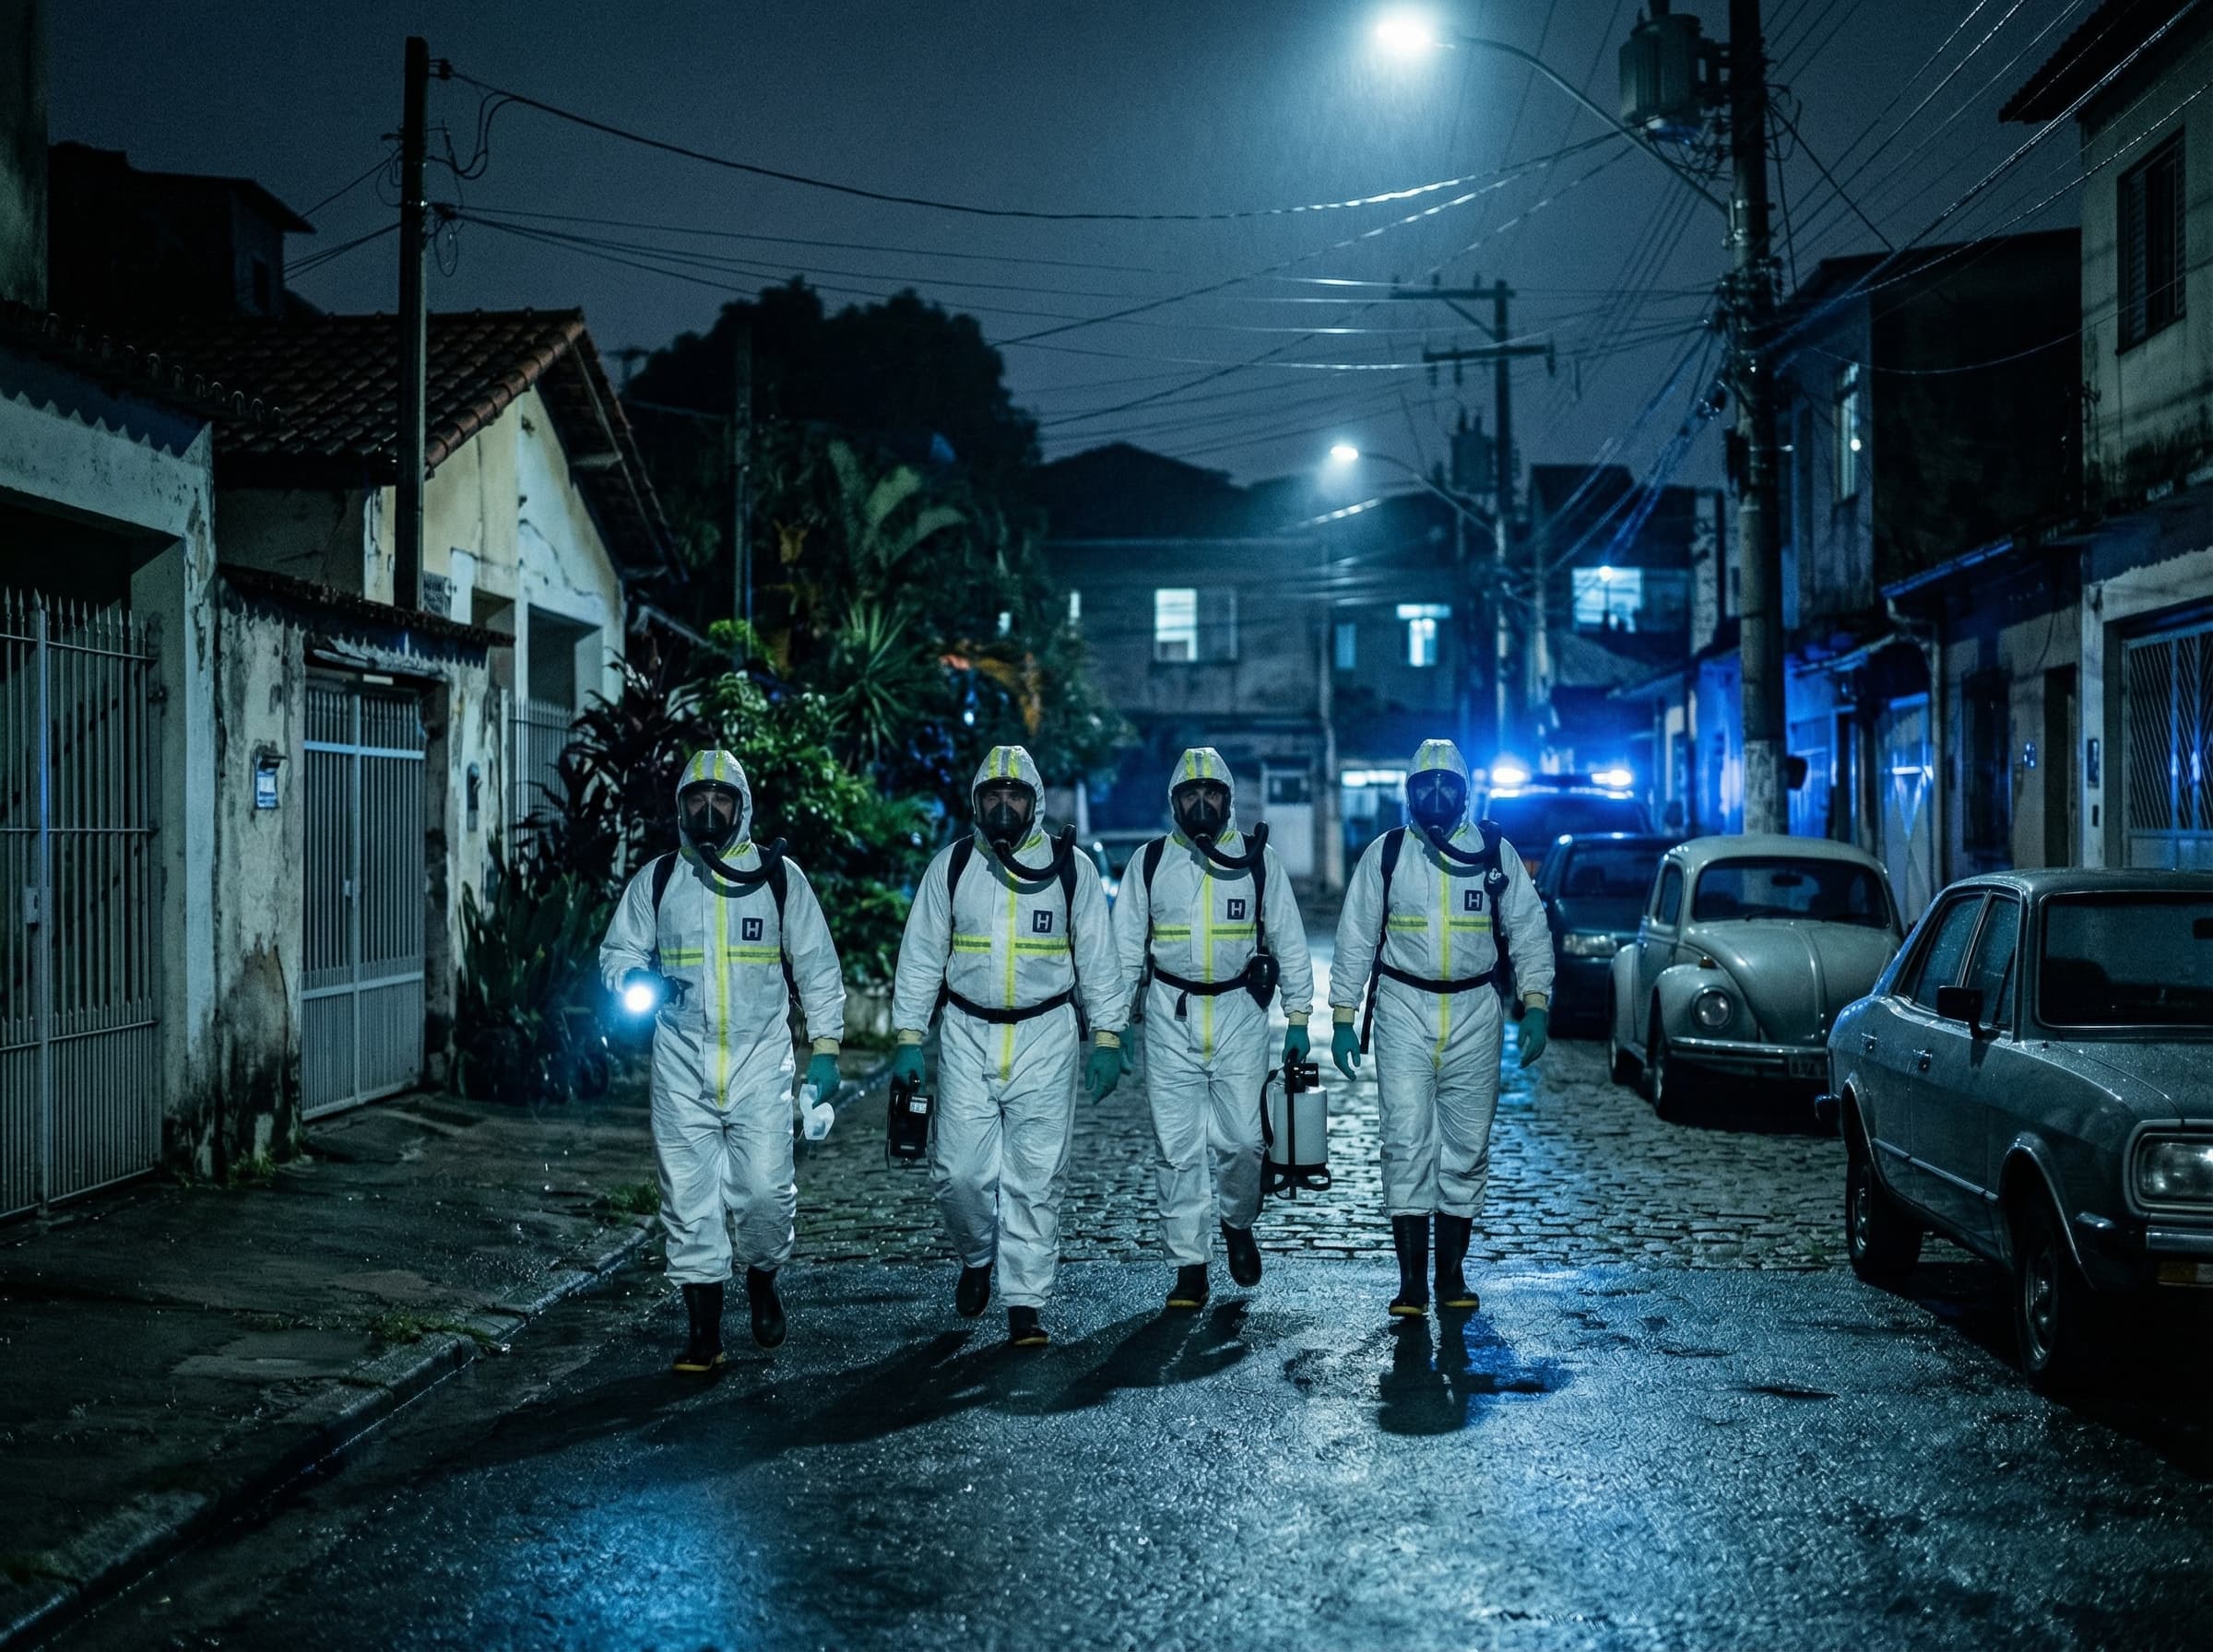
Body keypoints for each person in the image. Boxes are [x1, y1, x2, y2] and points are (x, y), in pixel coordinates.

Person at [599, 749, 846, 1372]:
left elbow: (818, 968)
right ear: (681, 807)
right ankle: (703, 1334)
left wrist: (826, 1049)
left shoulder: (778, 878)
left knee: (765, 1192)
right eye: (697, 801)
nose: (709, 812)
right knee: (689, 1201)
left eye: (721, 800)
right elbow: (617, 953)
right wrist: (633, 978)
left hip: (760, 1061)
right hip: (681, 1062)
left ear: (742, 807)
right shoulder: (658, 881)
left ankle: (762, 1277)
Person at [890, 745, 1128, 1349]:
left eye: (1014, 795)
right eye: (992, 795)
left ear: (1034, 801)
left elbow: (1099, 958)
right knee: (958, 1174)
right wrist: (909, 1037)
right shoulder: (952, 867)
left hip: (1046, 1035)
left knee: (1035, 1178)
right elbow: (921, 956)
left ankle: (1025, 1303)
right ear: (976, 802)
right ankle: (977, 1255)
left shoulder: (1069, 869)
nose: (1003, 805)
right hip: (966, 1033)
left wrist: (1108, 1035)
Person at [1329, 739, 1554, 1319]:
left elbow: (1528, 929)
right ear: (1408, 794)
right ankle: (1411, 1282)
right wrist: (1343, 1016)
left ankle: (1450, 1275)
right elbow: (1355, 937)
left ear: (1464, 792)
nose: (1435, 796)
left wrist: (1536, 1002)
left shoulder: (1494, 853)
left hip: (1476, 1010)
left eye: (1445, 786)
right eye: (1424, 786)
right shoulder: (1387, 855)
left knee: (1467, 1145)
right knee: (1405, 1140)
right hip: (1403, 1007)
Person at [1114, 748, 1314, 1310]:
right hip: (1170, 1014)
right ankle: (1190, 1267)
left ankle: (1237, 1223)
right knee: (1176, 1149)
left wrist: (1299, 1016)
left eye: (1212, 794)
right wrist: (1113, 1023)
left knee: (1244, 1141)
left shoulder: (1257, 860)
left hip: (1240, 1013)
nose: (1201, 804)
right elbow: (1124, 948)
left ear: (1228, 799)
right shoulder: (1150, 863)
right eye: (1190, 795)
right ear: (1174, 802)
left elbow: (1290, 938)